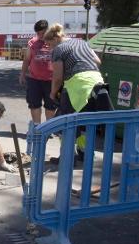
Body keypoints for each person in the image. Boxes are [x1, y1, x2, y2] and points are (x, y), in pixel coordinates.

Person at [43, 23, 113, 159]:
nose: (50, 48)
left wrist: (52, 93)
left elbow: (57, 78)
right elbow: (98, 61)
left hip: (77, 85)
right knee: (86, 121)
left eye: (49, 45)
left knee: (65, 121)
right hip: (96, 82)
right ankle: (85, 153)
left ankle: (66, 157)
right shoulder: (82, 43)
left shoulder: (59, 49)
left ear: (55, 39)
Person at [19, 20, 56, 151]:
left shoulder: (55, 42)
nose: (40, 36)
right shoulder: (32, 43)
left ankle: (48, 128)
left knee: (51, 105)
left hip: (52, 80)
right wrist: (22, 74)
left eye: (42, 33)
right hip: (34, 79)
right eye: (38, 33)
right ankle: (36, 127)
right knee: (34, 104)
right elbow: (27, 59)